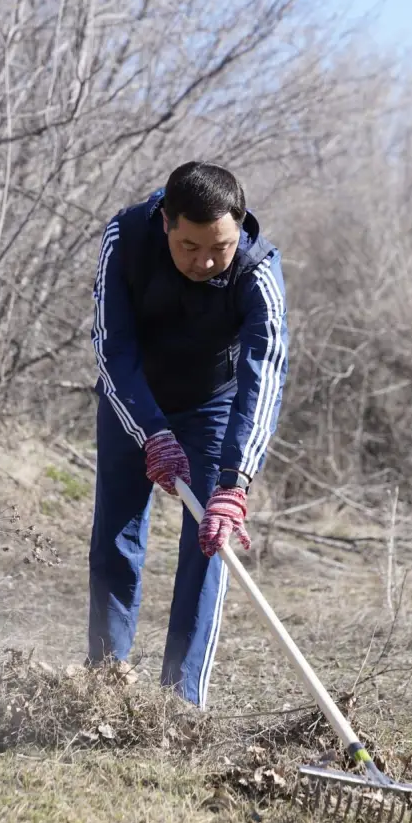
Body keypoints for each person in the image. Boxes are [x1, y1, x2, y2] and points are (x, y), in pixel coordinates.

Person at [88, 161, 288, 709]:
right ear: (165, 225)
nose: (204, 261)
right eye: (188, 246)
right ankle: (104, 682)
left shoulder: (258, 270)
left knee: (209, 542)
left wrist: (234, 482)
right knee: (116, 536)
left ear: (239, 227)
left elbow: (264, 373)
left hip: (212, 403)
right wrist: (152, 432)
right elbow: (112, 348)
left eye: (218, 247)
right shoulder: (125, 238)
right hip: (135, 395)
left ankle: (180, 703)